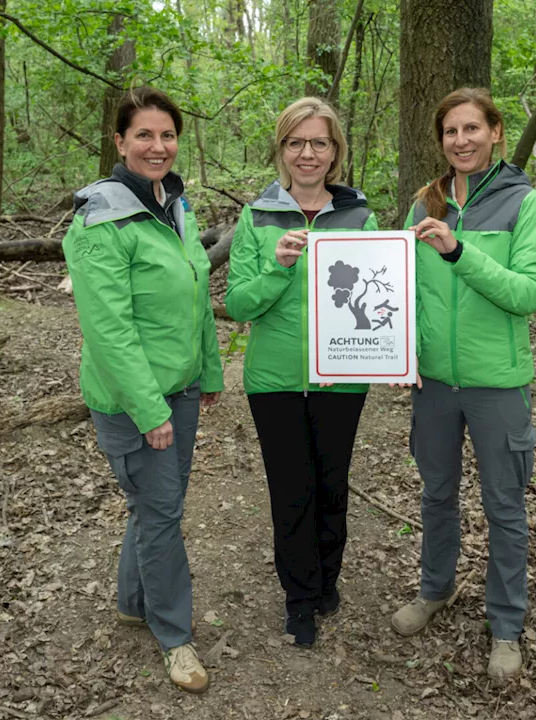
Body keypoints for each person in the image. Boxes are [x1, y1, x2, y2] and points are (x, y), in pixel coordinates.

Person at [390, 88, 536, 682]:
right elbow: (401, 291)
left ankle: (506, 624)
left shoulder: (526, 204)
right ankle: (435, 590)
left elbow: (529, 293)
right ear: (440, 140)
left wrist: (460, 251)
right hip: (433, 384)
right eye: (450, 132)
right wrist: (398, 354)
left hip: (498, 386)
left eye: (471, 129)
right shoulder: (424, 203)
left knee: (504, 506)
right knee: (436, 494)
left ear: (496, 132)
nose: (460, 141)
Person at [62, 87, 223, 694]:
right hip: (135, 403)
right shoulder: (99, 222)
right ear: (120, 142)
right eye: (145, 136)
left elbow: (195, 300)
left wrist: (208, 372)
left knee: (155, 507)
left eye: (167, 135)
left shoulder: (173, 206)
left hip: (179, 391)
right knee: (162, 514)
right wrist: (149, 409)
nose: (158, 147)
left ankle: (133, 601)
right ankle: (175, 636)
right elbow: (109, 330)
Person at [224, 97, 378, 648]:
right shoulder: (256, 216)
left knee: (332, 483)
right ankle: (299, 598)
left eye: (319, 143)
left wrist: (397, 356)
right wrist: (277, 266)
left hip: (344, 376)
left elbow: (382, 294)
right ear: (281, 150)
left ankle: (328, 578)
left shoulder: (361, 216)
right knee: (291, 490)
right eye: (296, 143)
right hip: (276, 382)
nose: (307, 153)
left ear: (335, 151)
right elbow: (239, 304)